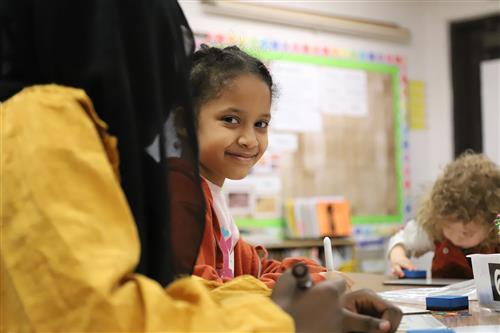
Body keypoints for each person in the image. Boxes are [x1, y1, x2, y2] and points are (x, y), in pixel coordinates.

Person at [1, 1, 401, 332]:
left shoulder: (79, 133)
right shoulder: (39, 120)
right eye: (231, 119)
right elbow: (98, 318)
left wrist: (312, 293)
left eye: (261, 123)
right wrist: (283, 318)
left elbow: (203, 282)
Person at [187, 44, 350, 288]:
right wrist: (305, 283)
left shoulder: (211, 195)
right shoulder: (183, 196)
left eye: (261, 124)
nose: (249, 140)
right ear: (183, 122)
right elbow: (205, 290)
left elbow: (254, 268)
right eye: (231, 120)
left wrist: (313, 272)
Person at [387, 152, 500, 279]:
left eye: (467, 233)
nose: (456, 238)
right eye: (448, 228)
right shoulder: (433, 225)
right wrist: (398, 256)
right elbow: (401, 239)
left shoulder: (497, 229)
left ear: (490, 223)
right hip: (442, 296)